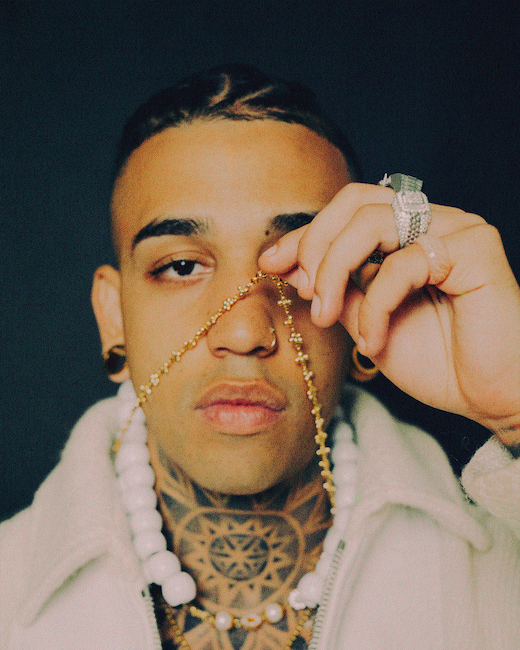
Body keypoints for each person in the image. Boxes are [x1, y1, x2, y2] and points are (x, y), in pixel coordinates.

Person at [1, 64, 520, 650]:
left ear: (372, 302)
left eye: (299, 267)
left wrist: (515, 407)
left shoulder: (500, 577)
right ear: (113, 317)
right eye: (181, 266)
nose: (245, 332)